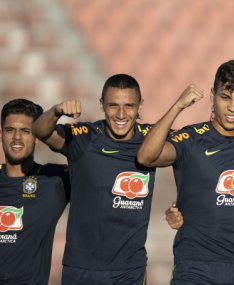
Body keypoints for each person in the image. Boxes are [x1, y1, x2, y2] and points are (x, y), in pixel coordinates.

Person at [137, 60, 234, 284]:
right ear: (211, 96)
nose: (233, 107)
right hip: (194, 266)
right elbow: (146, 156)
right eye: (225, 97)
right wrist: (178, 106)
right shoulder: (191, 139)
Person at [33, 74, 154, 285]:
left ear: (140, 105)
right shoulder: (84, 136)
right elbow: (41, 131)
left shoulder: (152, 139)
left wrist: (181, 207)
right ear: (101, 104)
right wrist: (56, 111)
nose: (121, 114)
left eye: (129, 105)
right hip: (82, 267)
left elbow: (191, 159)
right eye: (113, 105)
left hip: (130, 270)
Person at [0, 99, 69, 285]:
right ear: (1, 135)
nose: (16, 137)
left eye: (25, 131)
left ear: (38, 136)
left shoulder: (55, 179)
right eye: (9, 130)